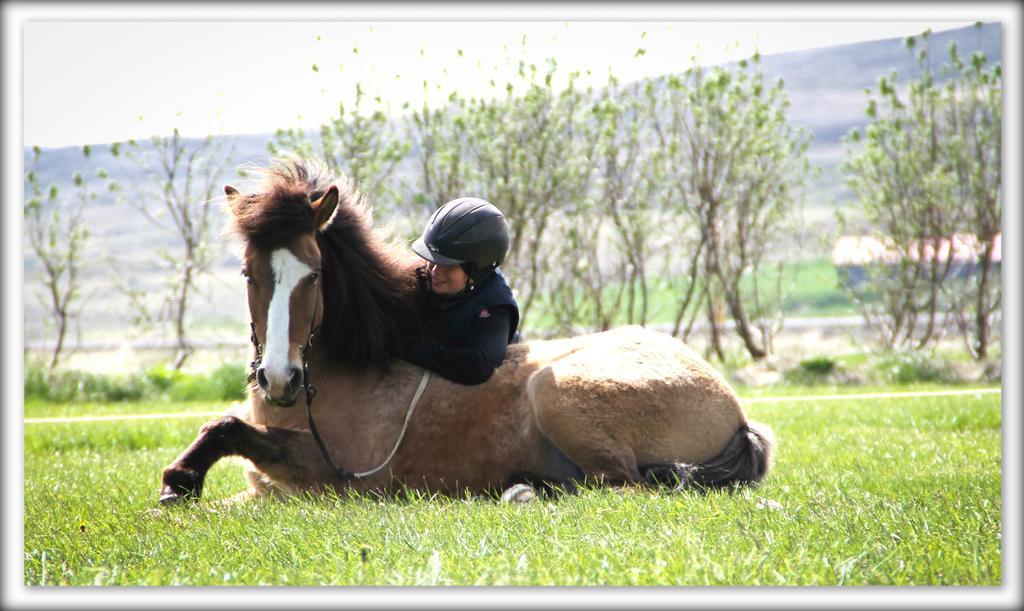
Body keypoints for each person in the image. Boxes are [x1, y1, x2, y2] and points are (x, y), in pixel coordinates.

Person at [404, 197, 520, 385]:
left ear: (477, 271)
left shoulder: (495, 306)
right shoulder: (424, 275)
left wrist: (410, 349)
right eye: (431, 260)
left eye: (447, 267)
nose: (434, 271)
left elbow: (478, 365)